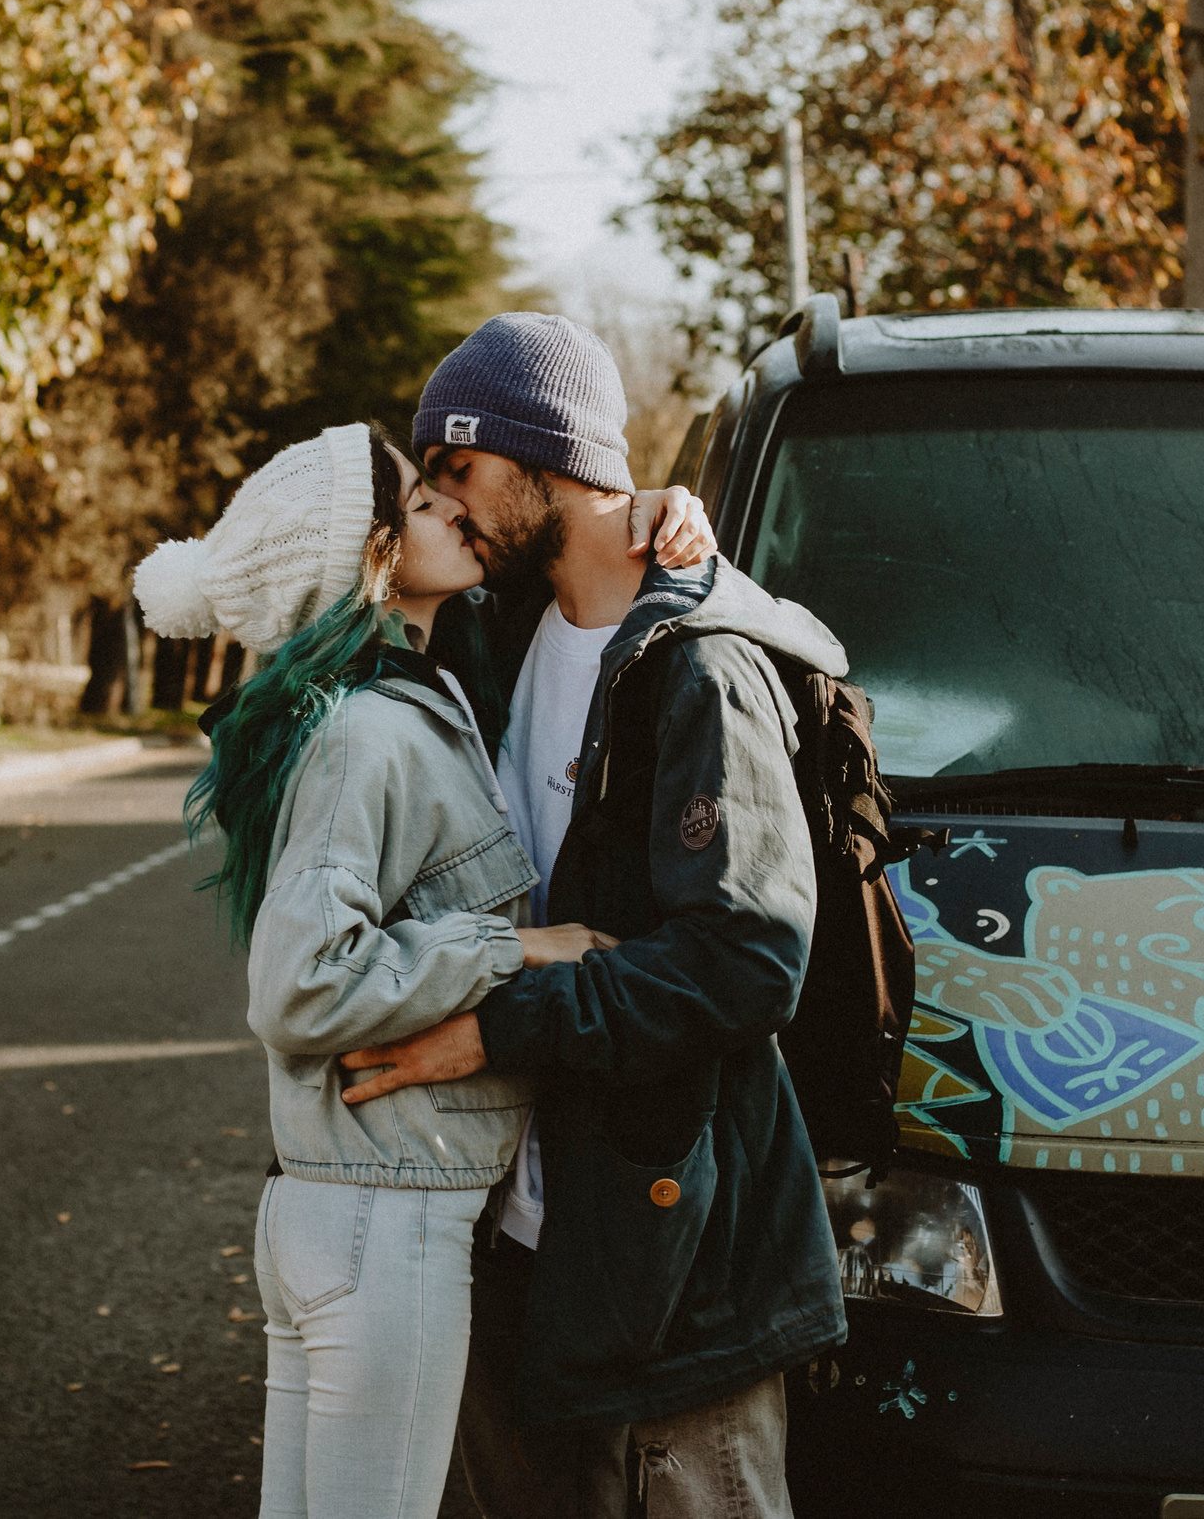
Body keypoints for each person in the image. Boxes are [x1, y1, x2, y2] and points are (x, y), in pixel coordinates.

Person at [131, 421, 715, 1519]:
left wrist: (654, 506)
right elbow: (299, 984)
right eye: (417, 504)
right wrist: (514, 944)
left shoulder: (419, 692)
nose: (452, 510)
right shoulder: (364, 730)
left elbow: (571, 556)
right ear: (367, 558)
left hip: (352, 1204)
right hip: (381, 1215)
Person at [336, 313, 848, 1519]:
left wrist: (492, 1028)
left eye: (458, 470)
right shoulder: (500, 637)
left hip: (678, 1264)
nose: (443, 505)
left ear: (541, 458)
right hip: (530, 1240)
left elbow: (745, 962)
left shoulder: (699, 667)